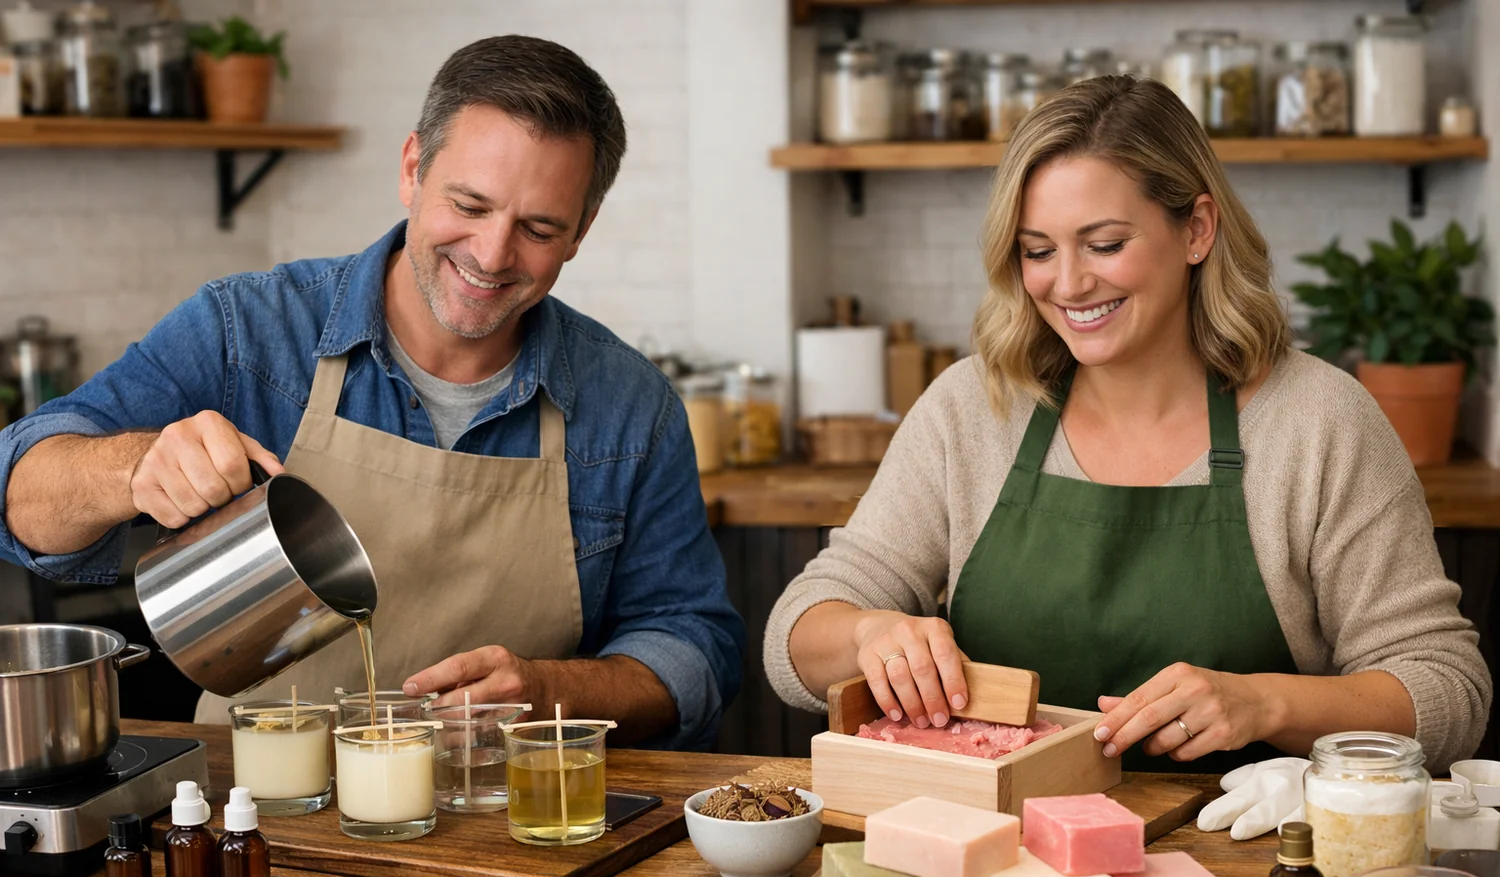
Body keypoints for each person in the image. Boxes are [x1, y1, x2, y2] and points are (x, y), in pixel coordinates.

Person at [0, 35, 743, 751]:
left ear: (582, 229)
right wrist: (131, 468)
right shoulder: (247, 333)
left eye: (539, 228)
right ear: (413, 167)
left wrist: (557, 692)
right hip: (258, 826)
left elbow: (695, 645)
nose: (491, 255)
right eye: (471, 206)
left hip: (513, 825)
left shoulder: (630, 407)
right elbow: (19, 495)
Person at [764, 76, 1490, 773]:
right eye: (1037, 250)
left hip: (1248, 866)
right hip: (998, 862)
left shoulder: (1318, 423)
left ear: (1197, 229)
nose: (1069, 283)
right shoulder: (974, 408)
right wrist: (868, 633)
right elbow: (793, 638)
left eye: (1105, 244)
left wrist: (1268, 701)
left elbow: (1448, 690)